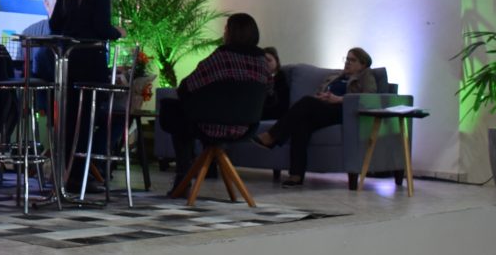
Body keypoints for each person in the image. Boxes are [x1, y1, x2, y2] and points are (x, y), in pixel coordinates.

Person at [161, 13, 273, 196]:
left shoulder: (222, 57)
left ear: (231, 32)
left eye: (226, 29)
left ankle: (183, 177)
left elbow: (187, 86)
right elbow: (268, 93)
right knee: (205, 111)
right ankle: (209, 165)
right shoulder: (263, 63)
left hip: (209, 126)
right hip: (245, 127)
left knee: (175, 112)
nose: (224, 33)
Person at [49, 0, 123, 189]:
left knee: (69, 119)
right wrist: (118, 32)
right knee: (88, 120)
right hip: (91, 65)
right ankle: (80, 175)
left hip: (67, 64)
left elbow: (54, 25)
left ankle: (63, 172)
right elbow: (102, 28)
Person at [254, 46, 378, 186]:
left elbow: (369, 98)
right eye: (346, 59)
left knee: (306, 101)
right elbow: (320, 91)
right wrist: (321, 96)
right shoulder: (337, 76)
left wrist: (339, 99)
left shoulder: (366, 75)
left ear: (363, 64)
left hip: (343, 111)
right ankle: (296, 175)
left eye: (352, 60)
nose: (347, 62)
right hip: (325, 108)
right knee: (301, 123)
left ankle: (271, 136)